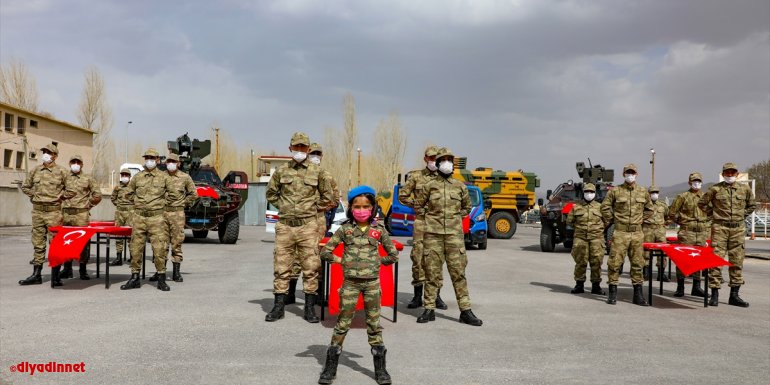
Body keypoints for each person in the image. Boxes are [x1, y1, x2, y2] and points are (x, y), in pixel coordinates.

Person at [318, 186, 398, 385]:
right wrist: (340, 260)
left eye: (366, 206)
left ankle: (380, 370)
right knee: (342, 324)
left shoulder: (378, 231)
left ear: (373, 208)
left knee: (373, 326)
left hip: (372, 285)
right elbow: (325, 251)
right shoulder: (345, 230)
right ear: (351, 208)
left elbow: (393, 255)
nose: (362, 210)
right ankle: (330, 368)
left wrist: (378, 262)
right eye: (357, 206)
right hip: (350, 285)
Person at [265, 132, 335, 323]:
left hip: (308, 226)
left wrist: (312, 209)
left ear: (308, 149)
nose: (300, 150)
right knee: (281, 266)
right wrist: (285, 207)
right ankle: (278, 307)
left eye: (303, 147)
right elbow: (271, 193)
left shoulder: (318, 172)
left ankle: (309, 309)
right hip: (286, 226)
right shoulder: (281, 171)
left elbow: (328, 197)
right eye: (296, 147)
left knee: (311, 267)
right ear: (290, 149)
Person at [414, 147, 482, 326]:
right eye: (443, 160)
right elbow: (418, 206)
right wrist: (432, 217)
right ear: (437, 163)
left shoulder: (460, 186)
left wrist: (454, 218)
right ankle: (429, 309)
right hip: (433, 236)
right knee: (431, 273)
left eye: (450, 160)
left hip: (454, 236)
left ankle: (465, 311)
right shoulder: (429, 186)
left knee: (458, 273)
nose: (447, 163)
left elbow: (467, 207)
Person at [285, 142, 340, 305]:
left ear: (322, 156)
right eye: (313, 153)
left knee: (317, 256)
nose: (315, 156)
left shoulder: (326, 175)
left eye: (318, 153)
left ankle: (317, 295)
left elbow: (335, 199)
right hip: (299, 220)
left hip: (318, 221)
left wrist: (318, 206)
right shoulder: (298, 174)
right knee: (295, 255)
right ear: (308, 154)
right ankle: (290, 293)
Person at [698, 163, 756, 307]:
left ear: (737, 174)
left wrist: (741, 215)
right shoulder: (715, 189)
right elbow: (702, 203)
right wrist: (714, 215)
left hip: (738, 229)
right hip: (720, 228)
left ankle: (734, 295)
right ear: (723, 174)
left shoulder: (745, 189)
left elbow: (752, 205)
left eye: (732, 172)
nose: (730, 175)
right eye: (727, 173)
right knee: (716, 261)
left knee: (736, 262)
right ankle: (715, 294)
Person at [398, 145, 448, 310]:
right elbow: (403, 195)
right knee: (418, 258)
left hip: (439, 223)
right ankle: (417, 296)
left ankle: (436, 296)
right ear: (425, 158)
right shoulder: (416, 177)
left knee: (437, 258)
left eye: (436, 158)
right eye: (431, 157)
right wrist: (417, 205)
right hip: (421, 222)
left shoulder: (444, 178)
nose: (433, 160)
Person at [19, 143, 71, 286]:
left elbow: (71, 190)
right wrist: (34, 195)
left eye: (49, 152)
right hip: (37, 211)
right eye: (44, 151)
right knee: (38, 243)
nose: (46, 154)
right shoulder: (35, 170)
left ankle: (55, 276)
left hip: (54, 212)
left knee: (55, 244)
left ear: (55, 156)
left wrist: (59, 197)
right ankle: (37, 274)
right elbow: (25, 187)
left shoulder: (62, 172)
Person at [601, 163, 653, 306]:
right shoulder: (615, 191)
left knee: (637, 264)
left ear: (636, 174)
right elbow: (605, 207)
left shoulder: (643, 192)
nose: (630, 175)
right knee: (615, 263)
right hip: (620, 232)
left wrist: (640, 220)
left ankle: (638, 295)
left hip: (637, 233)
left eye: (632, 172)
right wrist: (613, 219)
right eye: (628, 172)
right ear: (624, 174)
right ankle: (612, 293)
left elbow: (649, 209)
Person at [120, 148, 172, 291]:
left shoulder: (164, 177)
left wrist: (159, 206)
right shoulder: (138, 177)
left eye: (152, 158)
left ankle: (161, 278)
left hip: (157, 218)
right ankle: (135, 277)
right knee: (135, 248)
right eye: (147, 158)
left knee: (159, 248)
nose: (149, 160)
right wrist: (139, 204)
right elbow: (128, 193)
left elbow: (172, 196)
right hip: (139, 217)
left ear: (157, 160)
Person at [59, 154, 102, 280]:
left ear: (82, 164)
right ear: (69, 163)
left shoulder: (88, 178)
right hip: (66, 213)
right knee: (67, 242)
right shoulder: (64, 177)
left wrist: (88, 204)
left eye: (78, 162)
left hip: (81, 214)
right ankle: (67, 269)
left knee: (83, 243)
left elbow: (97, 195)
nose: (76, 164)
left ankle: (83, 270)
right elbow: (56, 191)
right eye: (73, 162)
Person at [667, 172, 709, 297]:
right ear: (689, 182)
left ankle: (696, 287)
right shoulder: (683, 196)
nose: (696, 183)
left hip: (701, 233)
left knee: (698, 260)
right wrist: (681, 222)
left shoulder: (705, 197)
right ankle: (680, 287)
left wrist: (706, 224)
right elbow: (672, 212)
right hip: (687, 232)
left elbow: (712, 212)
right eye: (694, 181)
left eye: (699, 181)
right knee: (683, 260)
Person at [566, 183, 606, 295]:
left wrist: (597, 230)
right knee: (580, 262)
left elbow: (607, 221)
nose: (589, 194)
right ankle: (579, 285)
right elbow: (570, 222)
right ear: (583, 193)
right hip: (580, 238)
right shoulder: (576, 207)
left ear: (595, 193)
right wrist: (579, 231)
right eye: (587, 192)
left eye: (591, 192)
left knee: (596, 262)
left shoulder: (601, 207)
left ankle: (596, 286)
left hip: (596, 238)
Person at [642, 186, 669, 282]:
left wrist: (663, 225)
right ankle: (646, 272)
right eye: (652, 192)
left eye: (656, 192)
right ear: (648, 193)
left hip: (660, 230)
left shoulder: (663, 205)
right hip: (647, 229)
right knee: (646, 252)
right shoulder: (644, 205)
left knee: (662, 252)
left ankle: (661, 274)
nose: (654, 194)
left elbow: (667, 216)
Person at [110, 168, 134, 266]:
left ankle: (133, 257)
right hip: (119, 213)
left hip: (130, 213)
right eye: (123, 175)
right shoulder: (117, 188)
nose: (124, 177)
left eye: (126, 175)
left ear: (129, 177)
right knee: (118, 234)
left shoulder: (133, 188)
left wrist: (131, 207)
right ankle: (119, 257)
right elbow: (113, 198)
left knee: (130, 235)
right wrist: (119, 205)